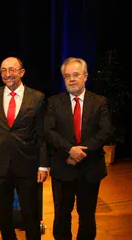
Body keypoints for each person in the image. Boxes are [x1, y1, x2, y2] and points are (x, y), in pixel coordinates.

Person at [44, 57, 113, 240]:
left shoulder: (100, 102)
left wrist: (80, 152)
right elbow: (48, 131)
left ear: (85, 77)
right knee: (61, 216)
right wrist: (69, 150)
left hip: (90, 169)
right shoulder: (53, 102)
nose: (71, 79)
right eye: (67, 76)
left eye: (76, 75)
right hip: (63, 167)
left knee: (87, 215)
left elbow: (105, 131)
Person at [0, 57, 48, 240]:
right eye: (3, 70)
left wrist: (43, 165)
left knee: (30, 213)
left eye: (12, 70)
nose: (8, 74)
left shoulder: (37, 97)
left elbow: (42, 134)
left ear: (22, 72)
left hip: (28, 165)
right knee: (4, 214)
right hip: (0, 166)